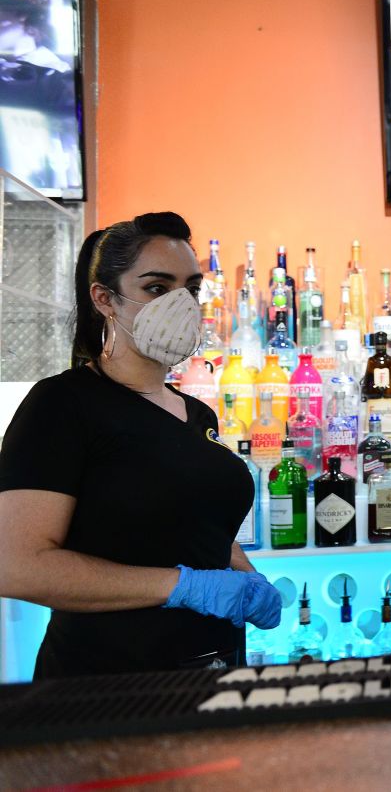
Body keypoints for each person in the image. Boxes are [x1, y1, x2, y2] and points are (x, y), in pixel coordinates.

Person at [0, 212, 282, 678]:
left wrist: (245, 577)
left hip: (211, 672)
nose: (181, 303)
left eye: (191, 288)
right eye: (157, 287)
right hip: (108, 686)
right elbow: (16, 564)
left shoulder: (197, 415)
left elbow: (193, 522)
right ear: (105, 298)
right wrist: (184, 587)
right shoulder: (63, 403)